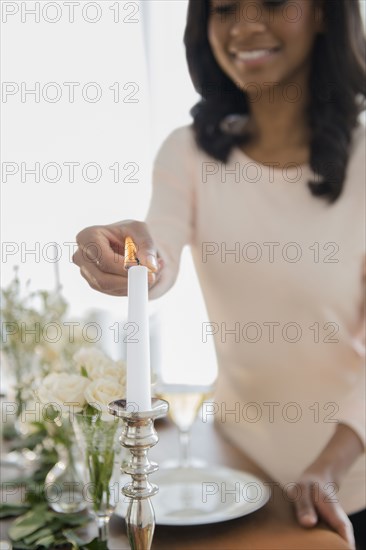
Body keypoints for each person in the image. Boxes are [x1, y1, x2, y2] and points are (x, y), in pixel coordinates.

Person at [73, 0, 366, 548]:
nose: (246, 26)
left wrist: (328, 466)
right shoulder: (187, 153)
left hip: (347, 482)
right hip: (236, 476)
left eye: (274, 3)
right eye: (225, 8)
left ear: (326, 12)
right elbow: (159, 262)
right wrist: (130, 258)